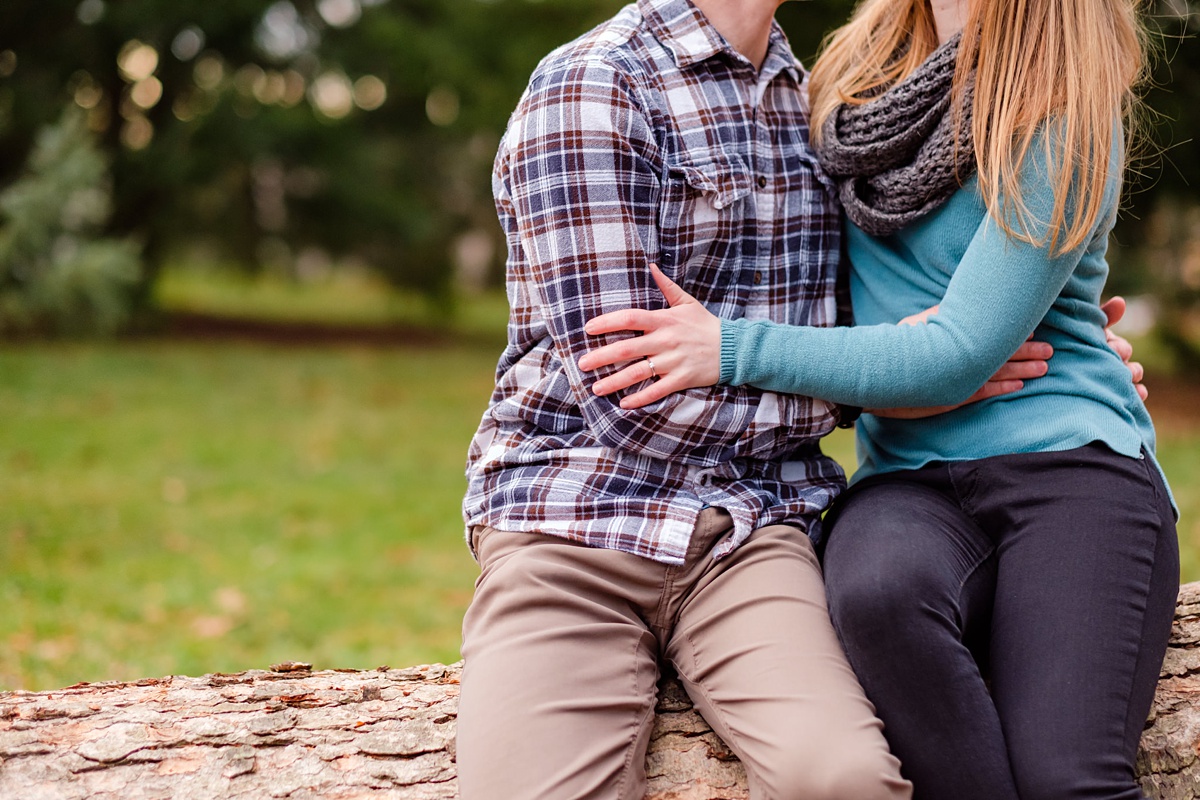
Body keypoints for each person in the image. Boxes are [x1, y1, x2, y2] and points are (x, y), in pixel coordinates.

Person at [578, 0, 1178, 798]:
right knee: (875, 593)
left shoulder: (1064, 102)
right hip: (908, 475)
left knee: (1066, 779)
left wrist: (729, 347)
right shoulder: (845, 89)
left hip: (1070, 466)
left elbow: (956, 355)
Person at [455, 0, 998, 795]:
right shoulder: (594, 84)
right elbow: (631, 394)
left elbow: (873, 311)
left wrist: (1056, 342)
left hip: (754, 531)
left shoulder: (816, 101)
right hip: (575, 530)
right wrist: (870, 396)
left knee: (843, 781)